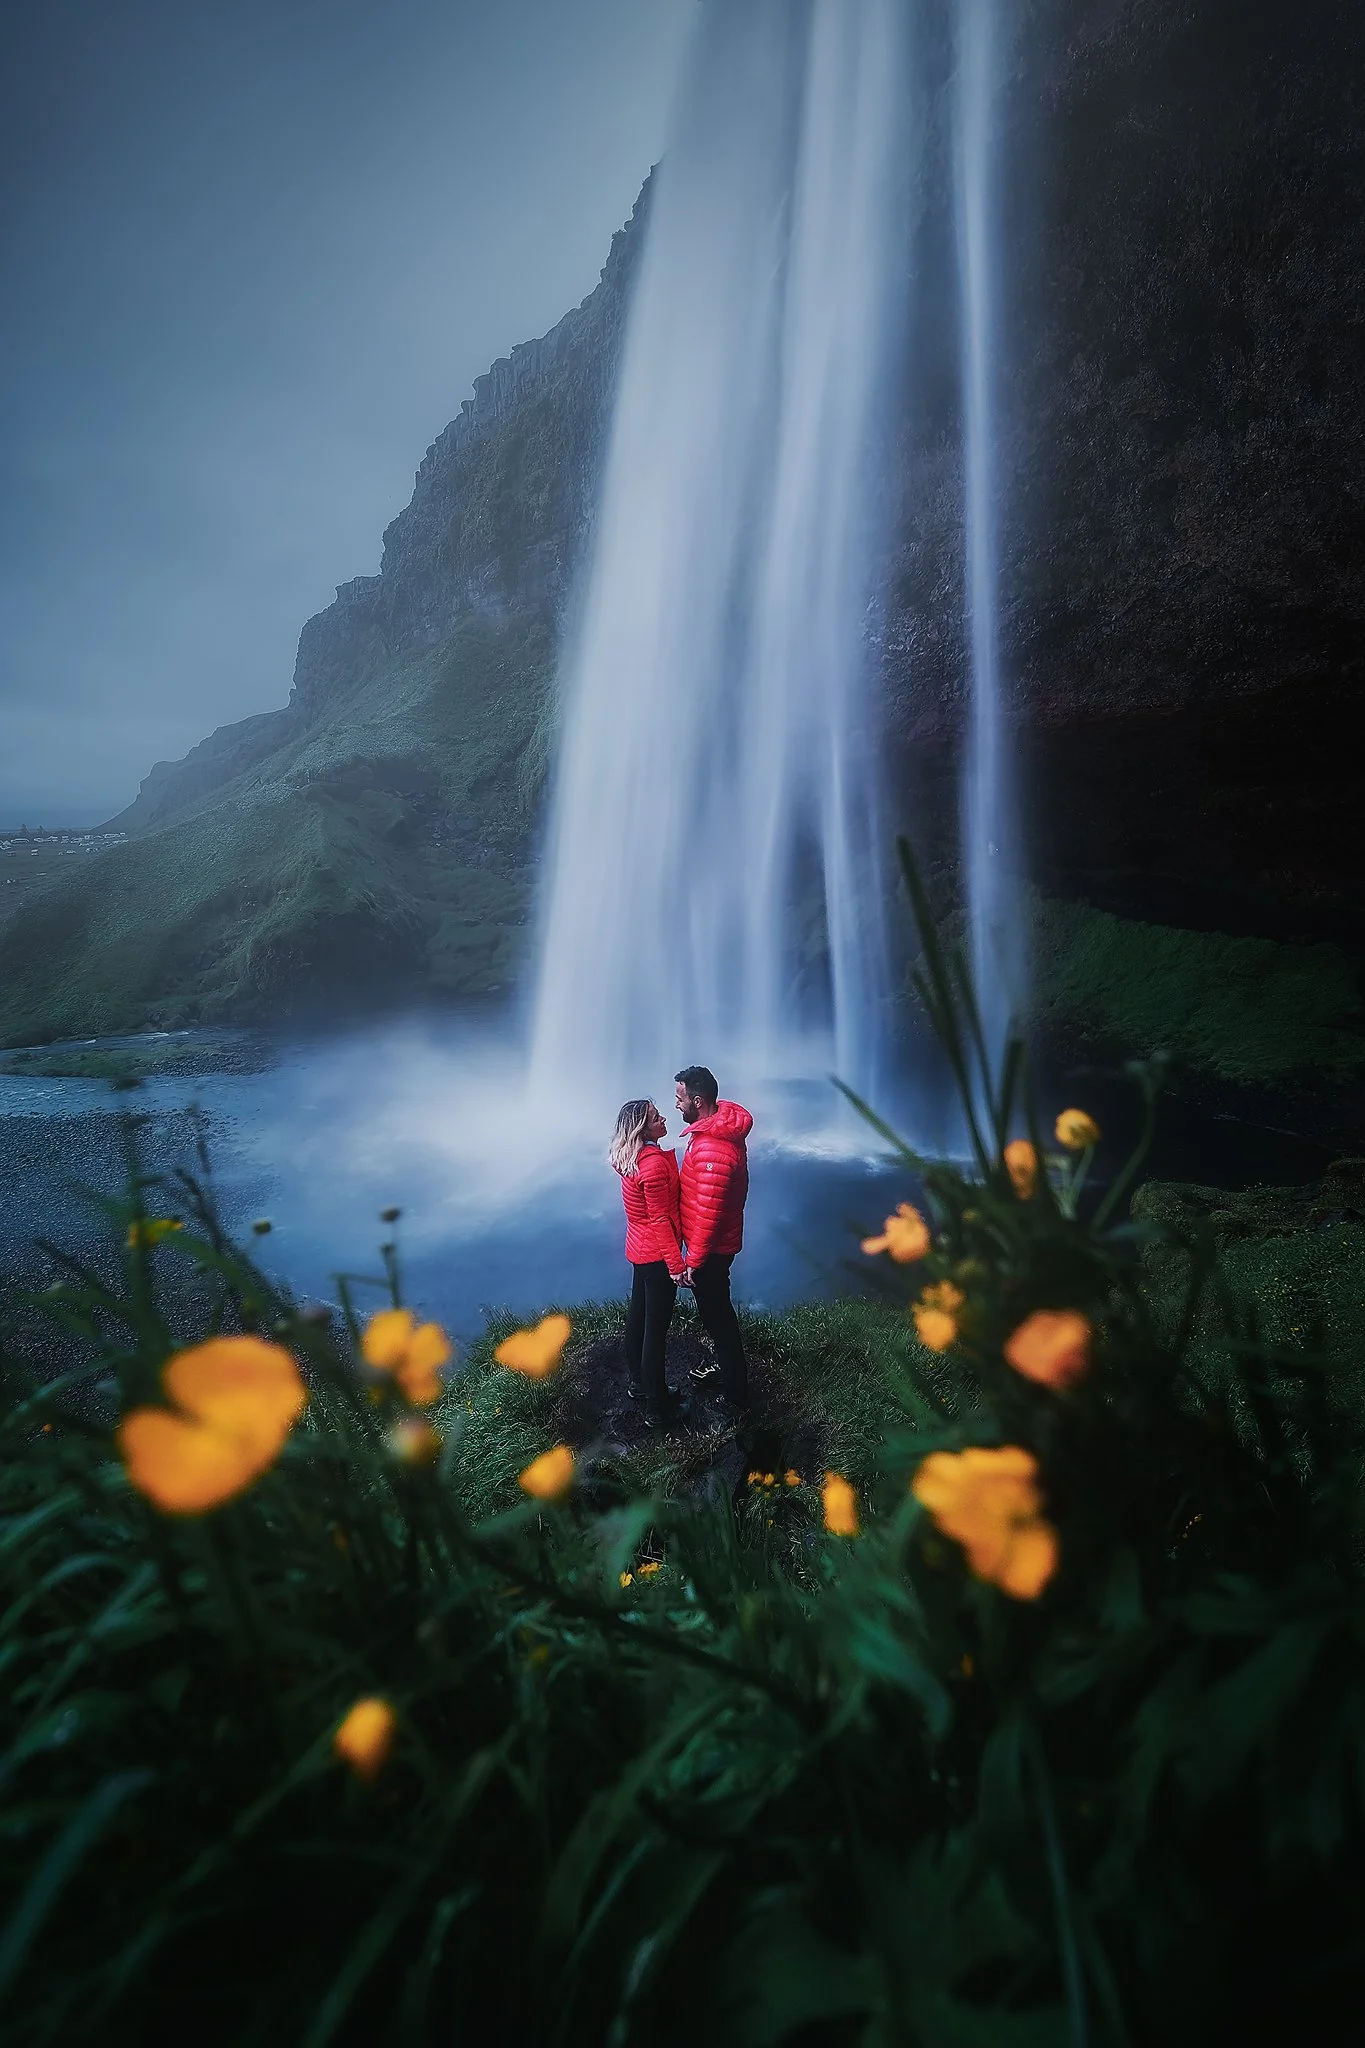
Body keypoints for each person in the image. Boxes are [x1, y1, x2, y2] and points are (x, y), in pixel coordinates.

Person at [674, 1065, 752, 1417]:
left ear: (698, 1100)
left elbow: (708, 1215)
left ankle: (737, 1396)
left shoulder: (713, 1150)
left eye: (680, 1098)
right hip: (718, 1247)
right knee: (718, 1314)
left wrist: (694, 1261)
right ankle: (730, 1372)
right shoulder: (714, 1129)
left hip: (712, 1251)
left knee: (719, 1318)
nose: (676, 1105)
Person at [609, 1098, 686, 1427]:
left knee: (638, 1318)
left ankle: (639, 1385)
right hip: (656, 1254)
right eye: (656, 1117)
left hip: (640, 1250)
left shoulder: (631, 1158)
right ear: (643, 1128)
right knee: (655, 1331)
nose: (664, 1118)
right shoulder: (652, 1166)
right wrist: (676, 1265)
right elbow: (658, 1220)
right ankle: (658, 1408)